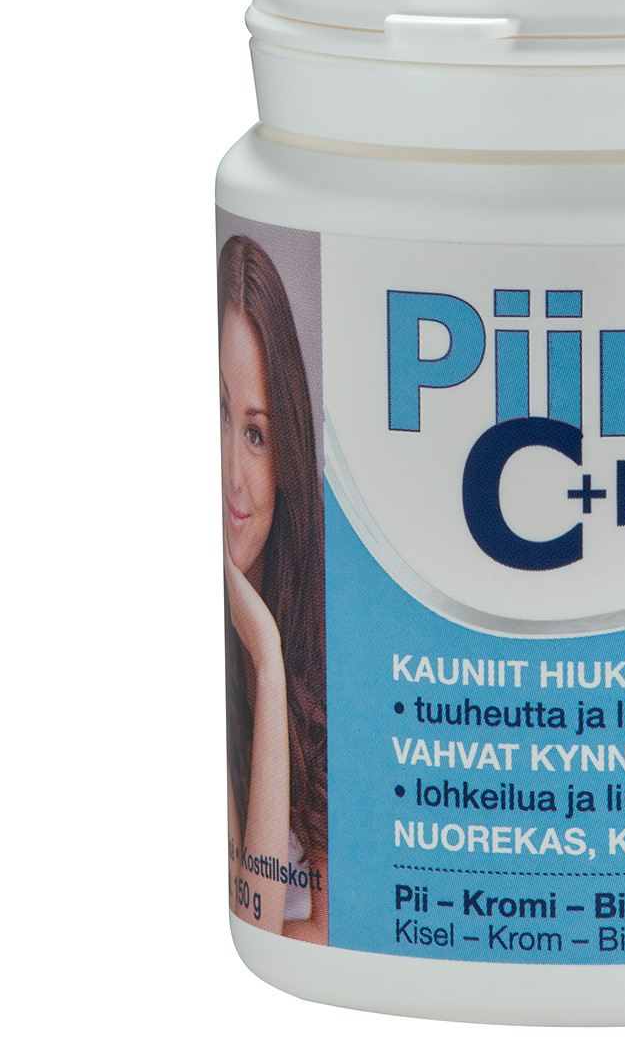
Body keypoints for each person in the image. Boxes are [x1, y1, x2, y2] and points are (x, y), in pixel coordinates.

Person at [219, 234, 327, 943]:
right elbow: (256, 918)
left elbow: (325, 927)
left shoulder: (319, 642)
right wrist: (260, 655)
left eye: (256, 435)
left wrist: (270, 654)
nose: (233, 473)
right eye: (218, 414)